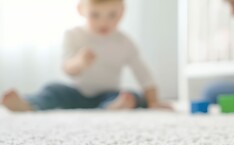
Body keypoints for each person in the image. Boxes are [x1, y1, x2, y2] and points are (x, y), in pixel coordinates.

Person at [1, 0, 170, 112]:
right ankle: (28, 104)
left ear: (122, 12)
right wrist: (79, 62)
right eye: (95, 15)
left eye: (112, 15)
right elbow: (67, 68)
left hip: (108, 94)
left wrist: (153, 102)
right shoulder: (74, 35)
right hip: (76, 93)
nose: (104, 22)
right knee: (52, 89)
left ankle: (114, 107)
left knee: (132, 96)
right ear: (81, 10)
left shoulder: (124, 42)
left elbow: (144, 75)